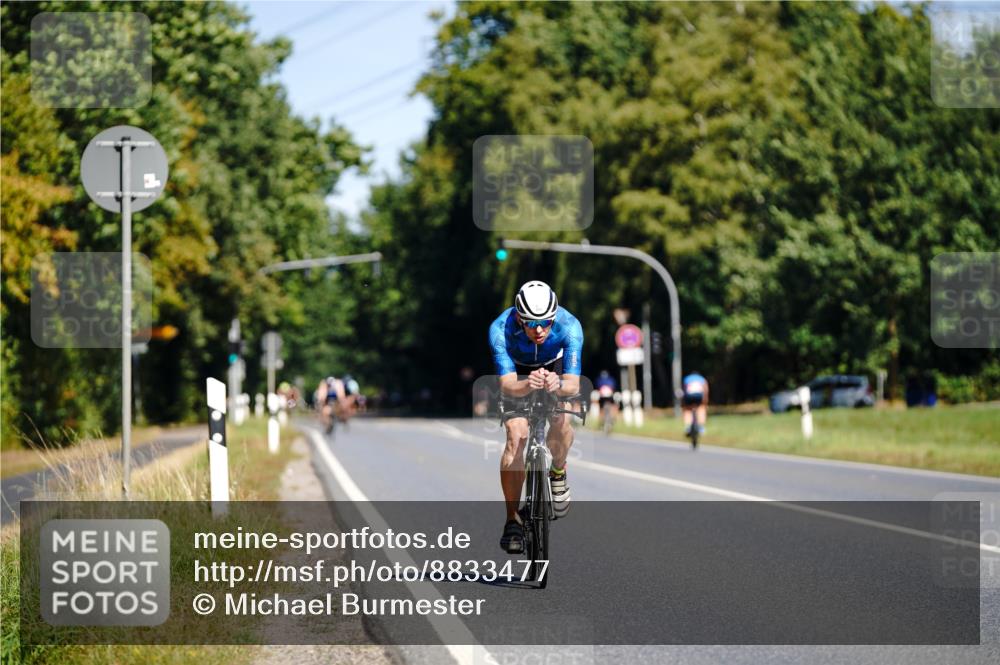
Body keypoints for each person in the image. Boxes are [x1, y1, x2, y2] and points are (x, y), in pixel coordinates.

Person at [489, 280, 583, 554]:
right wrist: (528, 384)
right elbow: (507, 385)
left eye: (546, 322)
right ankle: (512, 519)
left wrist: (557, 385)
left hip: (554, 366)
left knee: (561, 419)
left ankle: (558, 471)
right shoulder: (500, 330)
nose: (539, 330)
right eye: (530, 323)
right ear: (519, 316)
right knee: (516, 436)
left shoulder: (570, 326)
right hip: (517, 374)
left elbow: (573, 385)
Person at [682, 371, 709, 436]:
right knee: (701, 408)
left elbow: (684, 389)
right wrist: (705, 400)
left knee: (687, 409)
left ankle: (688, 427)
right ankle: (701, 427)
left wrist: (683, 401)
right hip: (699, 395)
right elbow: (705, 389)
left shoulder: (687, 378)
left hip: (689, 396)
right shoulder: (702, 378)